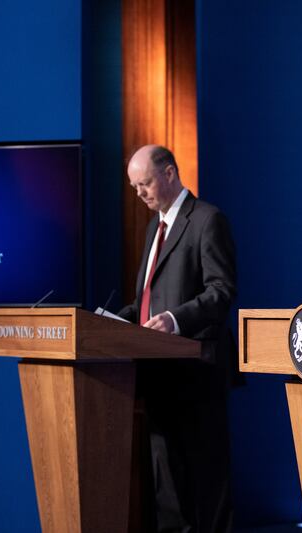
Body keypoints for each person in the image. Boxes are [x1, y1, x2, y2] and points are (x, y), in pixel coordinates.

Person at [118, 144, 237, 533]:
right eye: (134, 187)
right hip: (158, 374)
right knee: (165, 481)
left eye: (145, 183)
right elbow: (144, 301)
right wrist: (109, 324)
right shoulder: (156, 226)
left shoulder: (206, 219)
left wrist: (173, 319)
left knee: (205, 483)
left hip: (196, 373)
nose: (140, 194)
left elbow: (221, 291)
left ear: (169, 173)